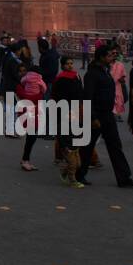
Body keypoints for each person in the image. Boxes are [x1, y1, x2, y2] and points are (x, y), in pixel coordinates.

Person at [76, 46, 133, 188]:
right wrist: (93, 118)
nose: (112, 58)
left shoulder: (105, 72)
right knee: (87, 147)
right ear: (101, 57)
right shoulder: (92, 74)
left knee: (115, 146)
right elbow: (88, 97)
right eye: (110, 55)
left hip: (107, 115)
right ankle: (78, 175)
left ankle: (124, 178)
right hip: (96, 116)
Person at [50, 56, 84, 186]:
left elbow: (81, 93)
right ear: (62, 65)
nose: (70, 65)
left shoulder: (76, 76)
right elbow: (57, 97)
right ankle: (72, 179)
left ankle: (65, 170)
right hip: (65, 112)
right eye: (67, 64)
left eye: (71, 63)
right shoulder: (61, 79)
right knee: (68, 142)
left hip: (76, 111)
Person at [16, 59, 47, 169]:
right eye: (20, 71)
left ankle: (25, 159)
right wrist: (38, 96)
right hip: (27, 113)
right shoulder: (19, 86)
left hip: (34, 112)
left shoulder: (24, 83)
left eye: (25, 70)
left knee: (32, 137)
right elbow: (27, 98)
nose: (23, 73)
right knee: (32, 137)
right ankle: (25, 160)